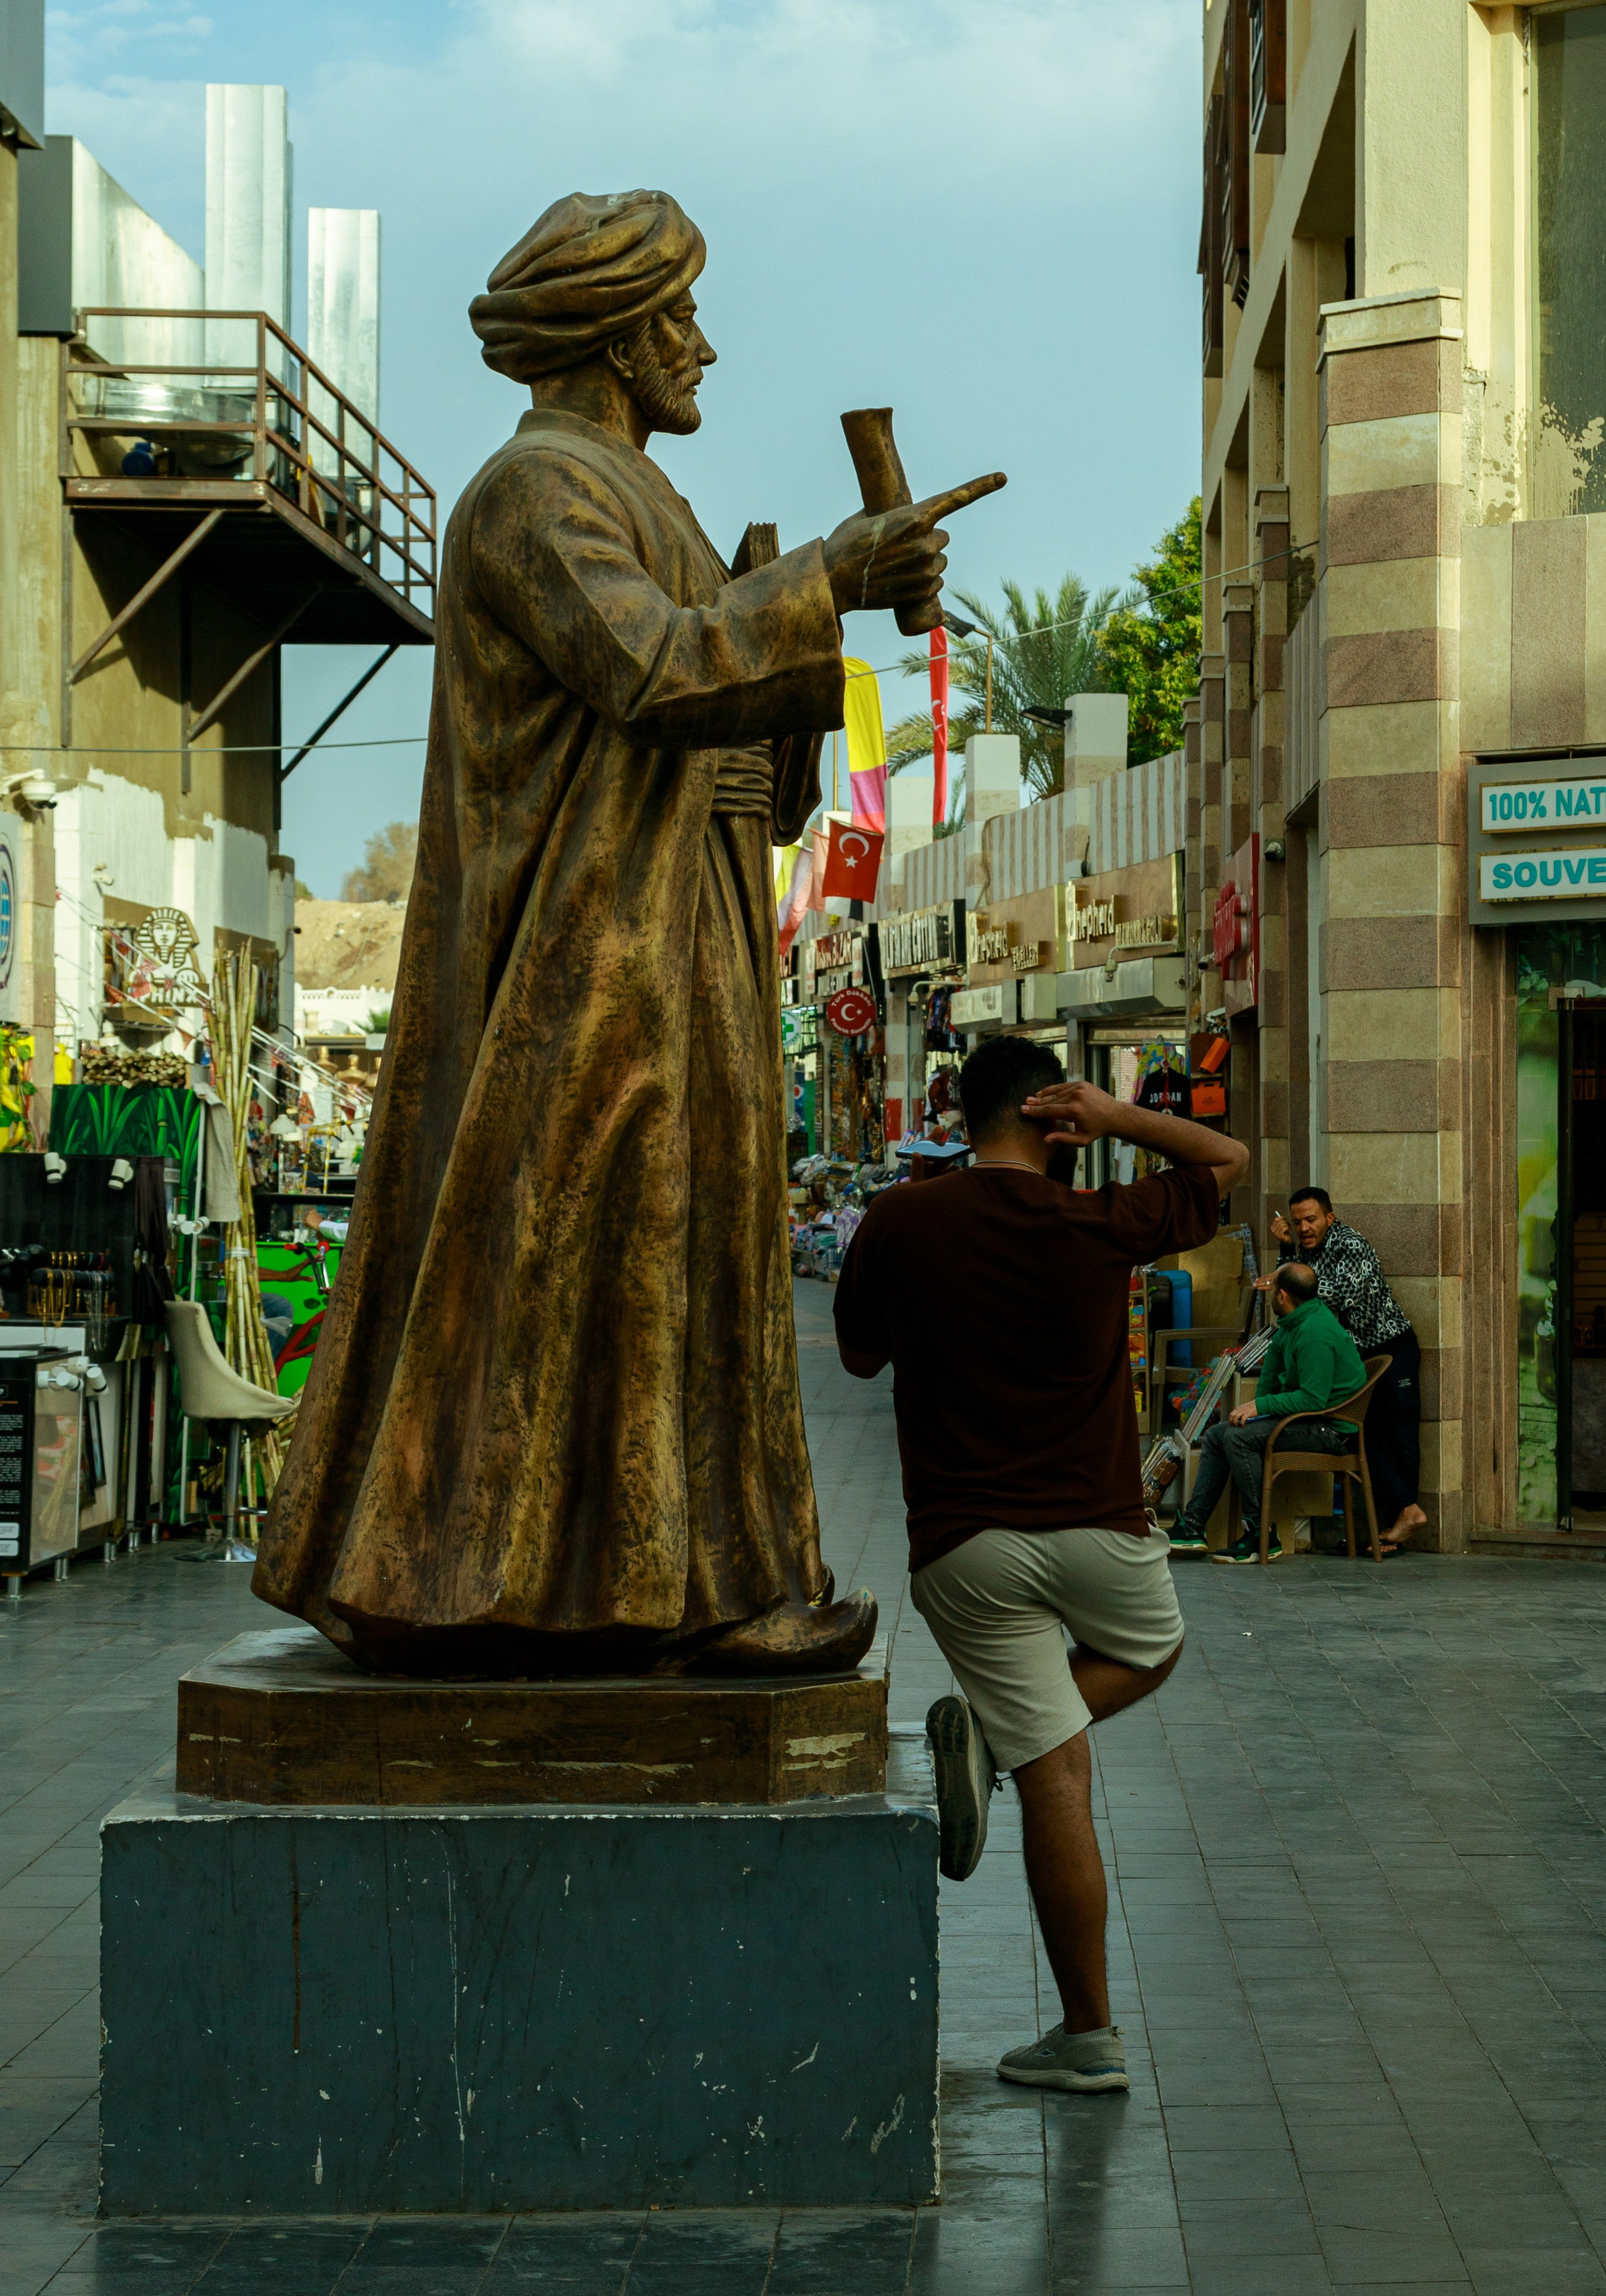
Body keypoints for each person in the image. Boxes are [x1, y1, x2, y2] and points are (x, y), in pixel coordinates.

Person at [255, 188, 1002, 1675]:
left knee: (690, 1262)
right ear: (607, 331)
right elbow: (647, 669)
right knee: (591, 1262)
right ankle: (514, 1580)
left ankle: (706, 1584)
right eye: (677, 318)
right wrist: (823, 582)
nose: (703, 348)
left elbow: (742, 770)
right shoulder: (535, 492)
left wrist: (821, 606)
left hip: (681, 949)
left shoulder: (632, 494)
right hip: (589, 968)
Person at [833, 1036, 1248, 2094]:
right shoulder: (1095, 1224)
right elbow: (1223, 1160)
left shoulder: (899, 1223)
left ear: (965, 1116)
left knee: (1052, 1767)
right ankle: (1080, 2028)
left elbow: (859, 1355)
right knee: (1147, 1656)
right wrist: (1121, 1120)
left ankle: (1090, 2036)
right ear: (1051, 1116)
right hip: (1102, 1535)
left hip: (965, 1547)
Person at [1260, 1185, 1426, 1551]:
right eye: (1297, 1221)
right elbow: (1290, 1298)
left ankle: (1405, 1520)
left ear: (1329, 1218)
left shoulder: (1350, 1244)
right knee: (1362, 1436)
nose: (1303, 1228)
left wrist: (1287, 1279)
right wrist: (1286, 1251)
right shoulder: (1303, 1251)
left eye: (1311, 1219)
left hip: (1390, 1348)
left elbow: (1332, 1294)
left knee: (1400, 1435)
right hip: (1354, 1360)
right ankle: (1392, 1520)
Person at [1167, 1263, 1365, 1562]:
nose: (1269, 1292)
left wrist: (1260, 1408)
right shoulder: (1292, 1323)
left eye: (1272, 1287)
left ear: (1282, 1295)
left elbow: (1314, 1399)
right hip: (1306, 1420)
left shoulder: (1314, 1333)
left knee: (1238, 1439)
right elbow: (1271, 1379)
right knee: (1218, 1434)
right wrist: (1257, 1412)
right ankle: (1194, 1528)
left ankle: (1261, 1533)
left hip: (1332, 1430)